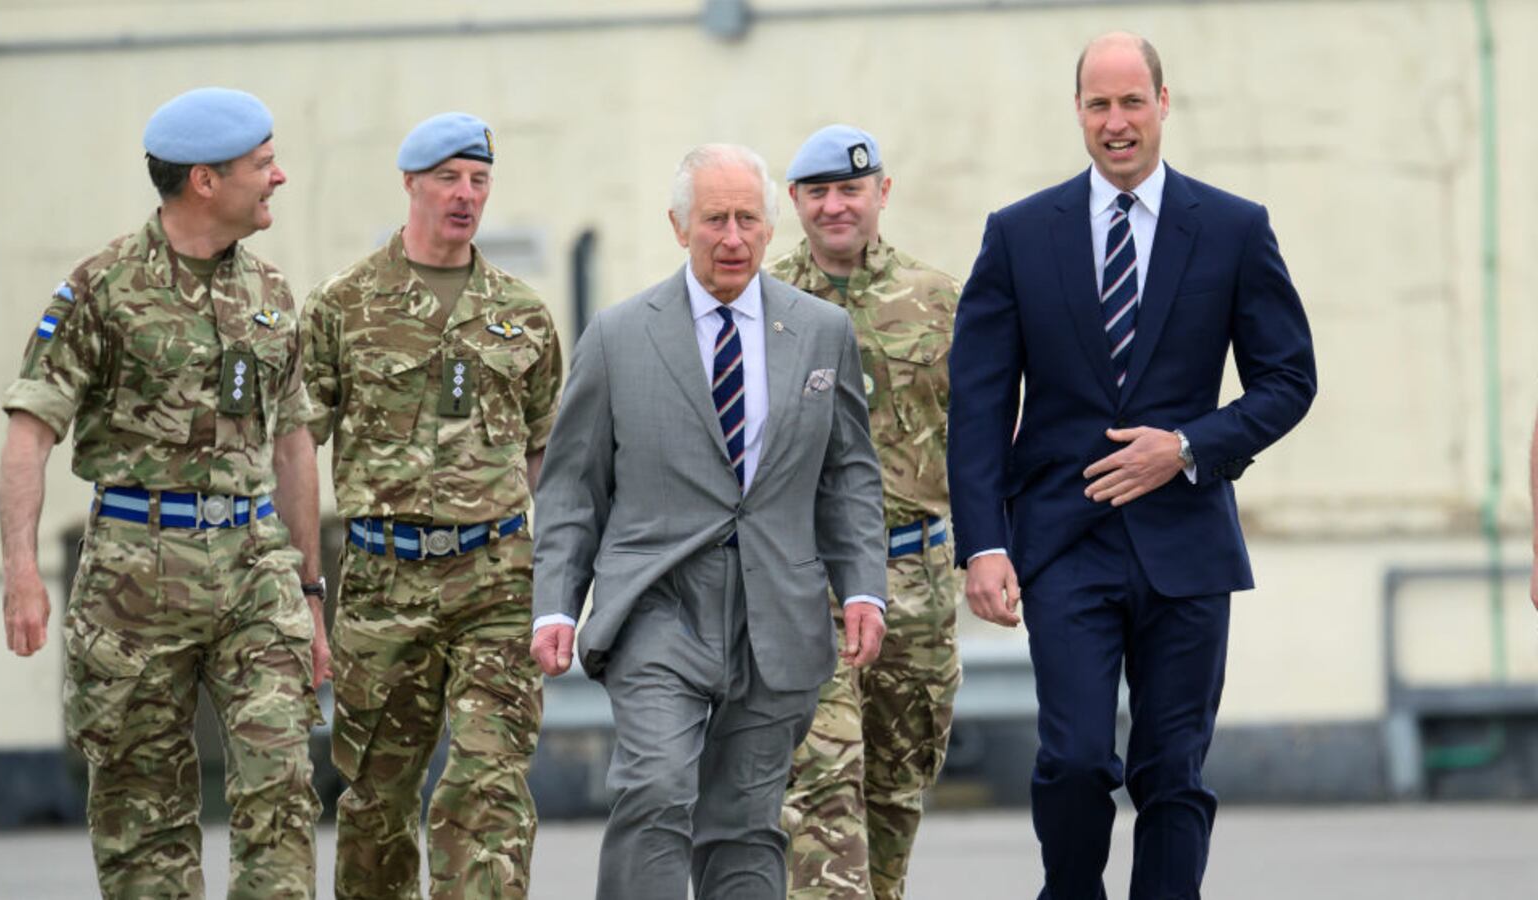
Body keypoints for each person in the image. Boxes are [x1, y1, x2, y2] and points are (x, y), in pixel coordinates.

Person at [947, 33, 1317, 900]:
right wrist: (984, 546)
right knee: (1074, 760)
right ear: (1079, 112)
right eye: (1099, 105)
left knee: (1173, 772)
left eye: (1132, 102)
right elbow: (979, 406)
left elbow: (1289, 379)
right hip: (1063, 544)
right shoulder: (1018, 235)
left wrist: (1187, 446)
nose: (1117, 122)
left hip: (1187, 543)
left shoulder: (1231, 229)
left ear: (1163, 103)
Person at [530, 143, 888, 900]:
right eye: (714, 220)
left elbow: (848, 473)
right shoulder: (619, 336)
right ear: (678, 226)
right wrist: (558, 600)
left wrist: (864, 588)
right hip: (660, 601)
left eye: (747, 220)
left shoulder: (822, 332)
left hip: (777, 610)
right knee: (656, 791)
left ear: (769, 227)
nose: (732, 238)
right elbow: (572, 488)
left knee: (746, 823)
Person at [0, 87, 327, 898]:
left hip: (255, 567)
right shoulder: (101, 290)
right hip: (134, 577)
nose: (279, 176)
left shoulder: (274, 296)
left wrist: (312, 593)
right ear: (205, 181)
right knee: (143, 812)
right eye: (263, 164)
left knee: (281, 787)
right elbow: (29, 435)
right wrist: (21, 573)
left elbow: (293, 447)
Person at [300, 112, 561, 899]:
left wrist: (539, 557)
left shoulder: (522, 312)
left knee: (486, 787)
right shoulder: (342, 307)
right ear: (410, 183)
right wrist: (305, 585)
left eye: (479, 180)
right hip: (383, 579)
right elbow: (291, 448)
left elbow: (547, 447)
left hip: (497, 580)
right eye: (448, 177)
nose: (465, 195)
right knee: (377, 800)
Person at [768, 124, 961, 900]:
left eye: (851, 189)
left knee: (895, 784)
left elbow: (988, 438)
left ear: (883, 193)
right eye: (819, 192)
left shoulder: (939, 300)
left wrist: (996, 552)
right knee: (820, 782)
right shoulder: (765, 303)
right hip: (805, 581)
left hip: (914, 573)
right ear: (795, 203)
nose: (836, 206)